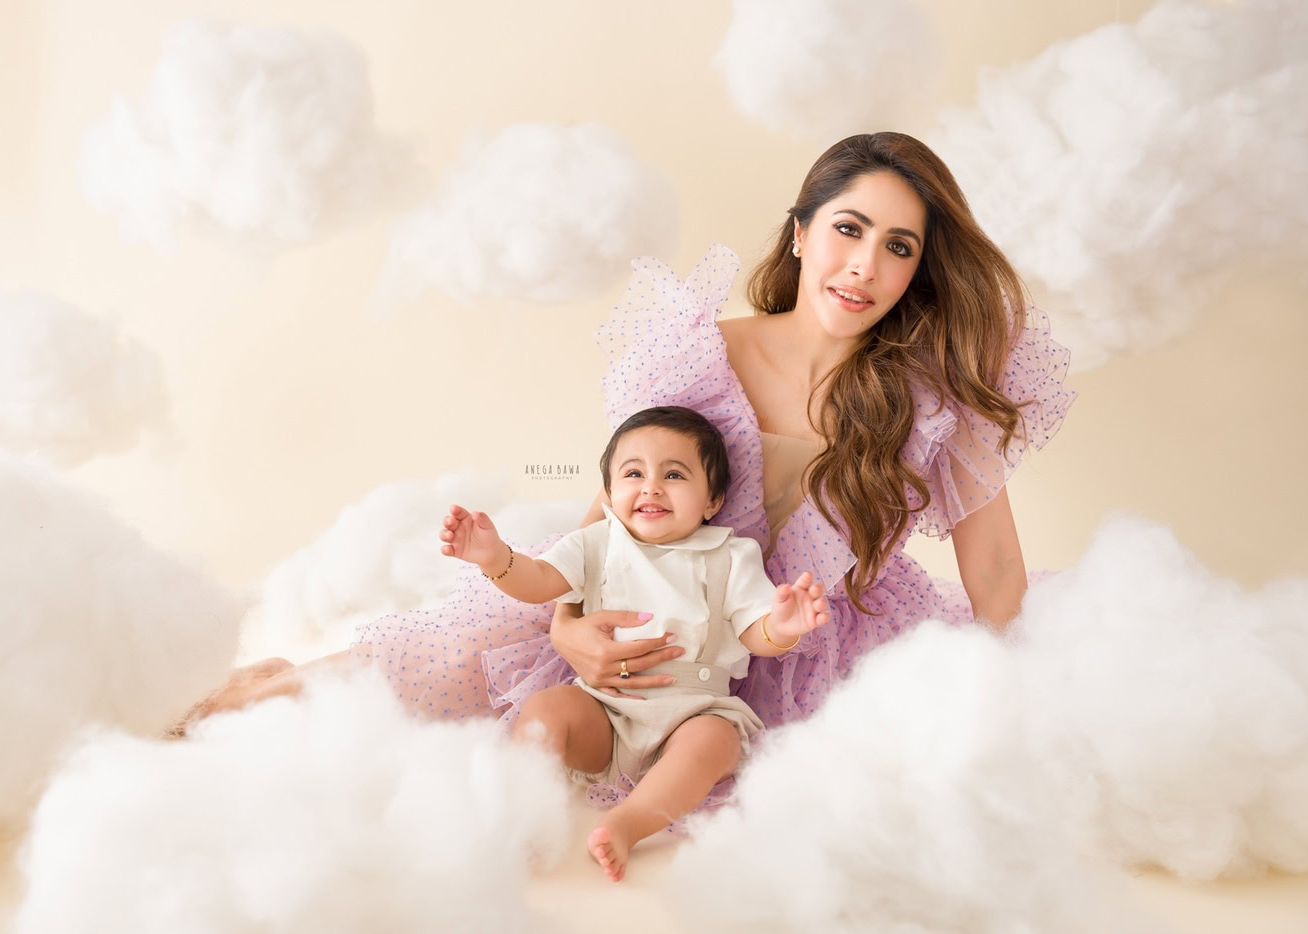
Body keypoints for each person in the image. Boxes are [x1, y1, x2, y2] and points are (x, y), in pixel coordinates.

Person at [176, 131, 1074, 815]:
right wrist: (568, 627)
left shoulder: (931, 400)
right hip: (647, 596)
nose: (866, 267)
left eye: (899, 248)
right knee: (446, 661)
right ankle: (268, 687)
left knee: (816, 796)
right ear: (801, 235)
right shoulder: (697, 353)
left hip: (808, 639)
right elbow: (613, 510)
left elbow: (992, 568)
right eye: (849, 230)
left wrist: (1011, 705)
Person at [439, 405, 830, 880]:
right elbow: (539, 580)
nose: (651, 487)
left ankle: (629, 823)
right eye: (633, 473)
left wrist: (783, 627)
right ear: (610, 491)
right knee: (547, 709)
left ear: (712, 501)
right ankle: (521, 808)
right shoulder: (598, 543)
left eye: (674, 474)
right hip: (606, 709)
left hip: (693, 710)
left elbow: (754, 628)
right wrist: (494, 558)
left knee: (715, 741)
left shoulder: (730, 553)